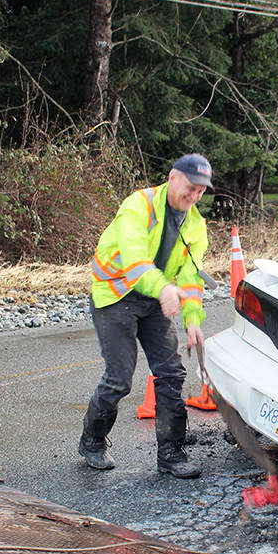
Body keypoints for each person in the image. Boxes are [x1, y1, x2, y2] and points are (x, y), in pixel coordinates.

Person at [78, 153, 212, 478]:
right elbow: (135, 260)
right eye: (190, 187)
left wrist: (193, 320)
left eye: (201, 191)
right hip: (116, 295)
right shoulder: (139, 206)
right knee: (119, 378)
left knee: (171, 373)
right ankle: (92, 441)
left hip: (153, 300)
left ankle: (171, 454)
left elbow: (192, 278)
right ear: (173, 177)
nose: (194, 196)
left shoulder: (195, 225)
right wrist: (165, 289)